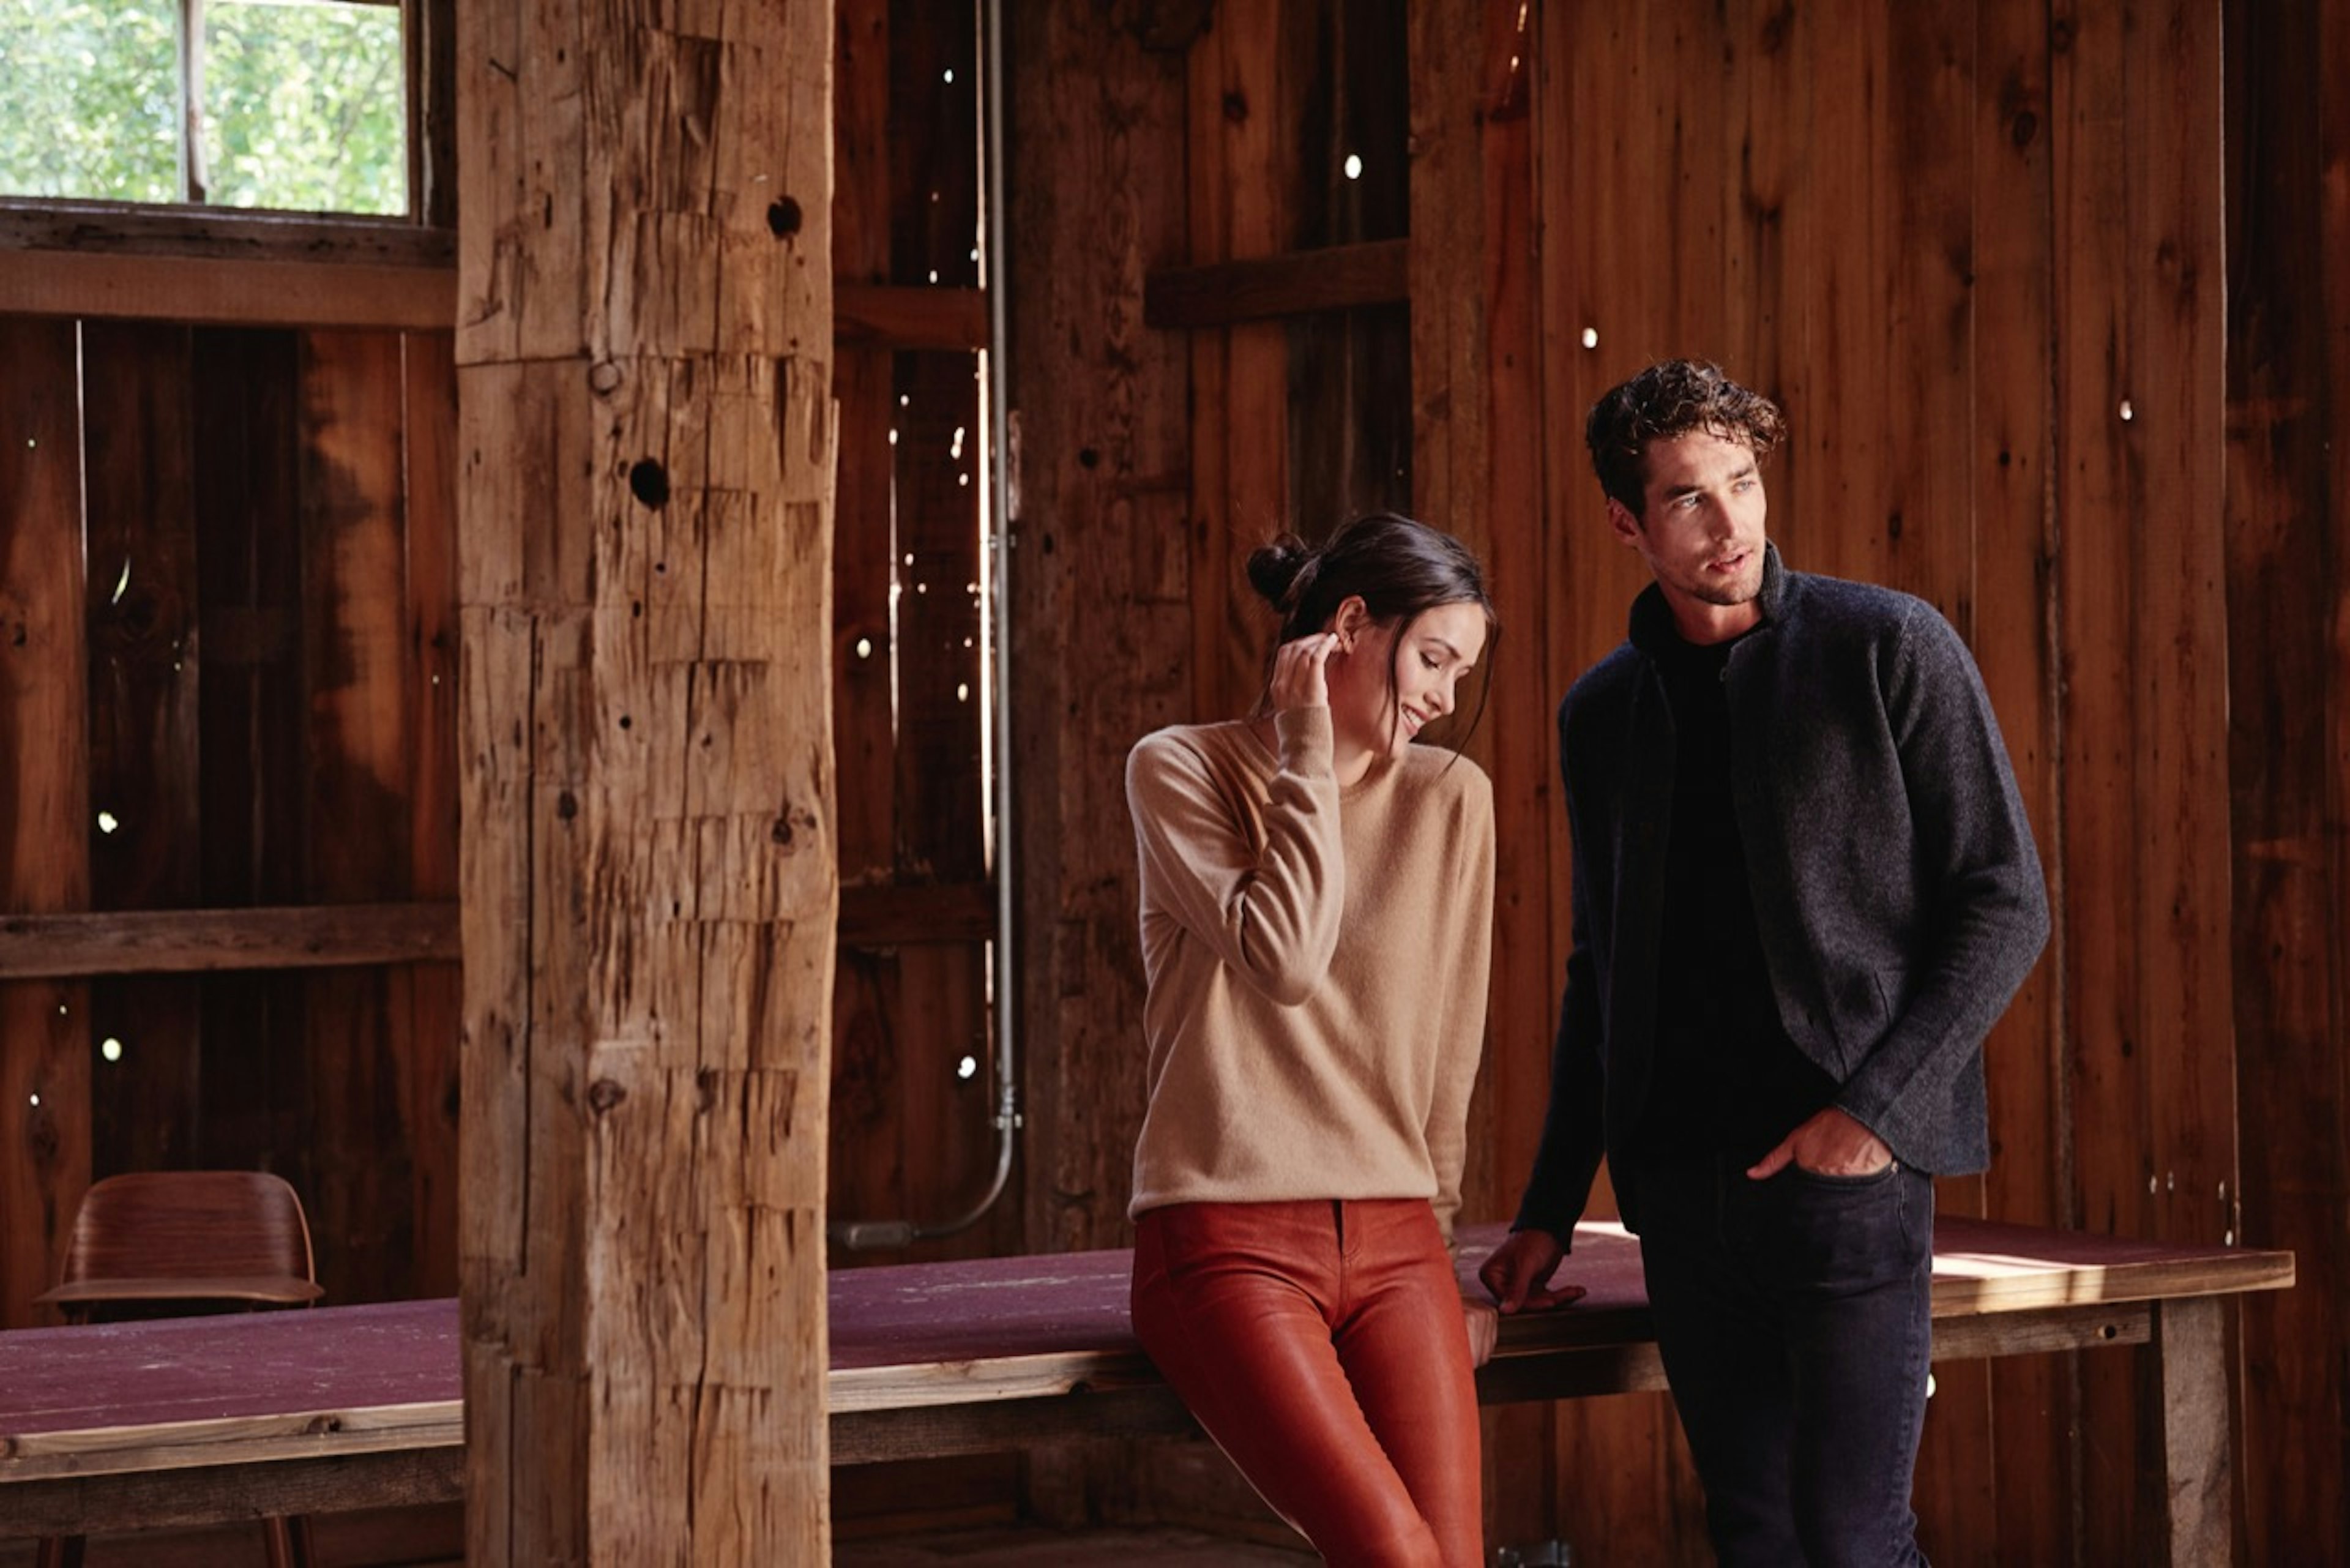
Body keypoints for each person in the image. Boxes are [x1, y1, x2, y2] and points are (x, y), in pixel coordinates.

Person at [1480, 360, 2051, 1566]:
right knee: (1753, 1537)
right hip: (1681, 1198)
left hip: (1844, 1183)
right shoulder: (1603, 715)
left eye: (1742, 482)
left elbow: (2006, 898)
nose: (1731, 522)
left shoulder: (1887, 647)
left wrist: (1873, 1116)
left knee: (1854, 1541)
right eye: (1689, 497)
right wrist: (1547, 1207)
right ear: (1628, 523)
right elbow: (1603, 976)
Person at [1124, 512, 1501, 1568]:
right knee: (1393, 1553)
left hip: (1396, 1239)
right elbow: (1284, 957)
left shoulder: (1451, 800)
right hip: (1224, 1231)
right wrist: (1302, 745)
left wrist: (1444, 1243)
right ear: (1349, 627)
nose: (1444, 697)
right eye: (1433, 658)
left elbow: (1449, 1042)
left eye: (1461, 674)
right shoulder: (1180, 770)